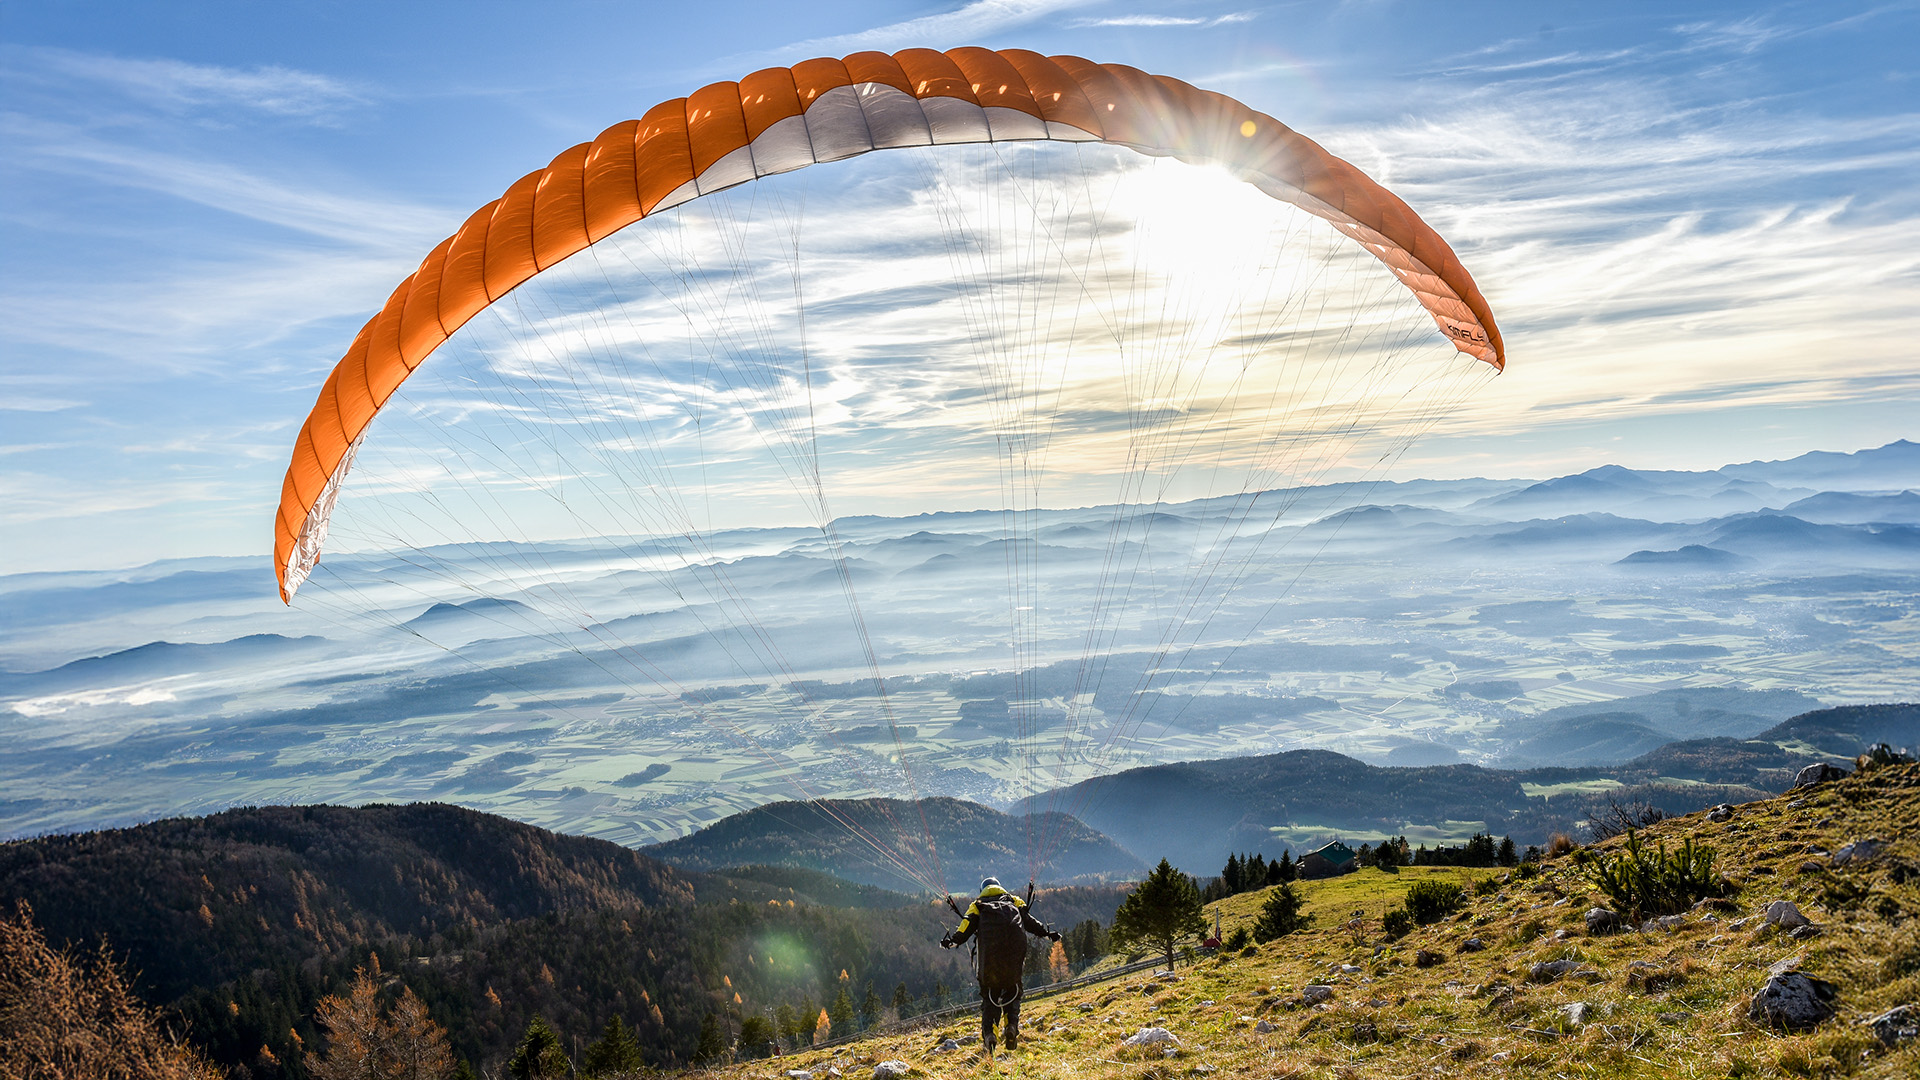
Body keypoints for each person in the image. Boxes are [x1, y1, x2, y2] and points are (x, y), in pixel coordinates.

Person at [941, 877, 1060, 1061]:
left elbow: (965, 928)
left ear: (983, 889)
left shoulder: (977, 905)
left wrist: (951, 942)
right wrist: (1047, 933)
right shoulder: (1013, 900)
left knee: (990, 995)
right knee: (1013, 989)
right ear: (999, 887)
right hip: (1014, 955)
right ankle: (1011, 1026)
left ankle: (990, 1035)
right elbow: (1029, 921)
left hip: (990, 960)